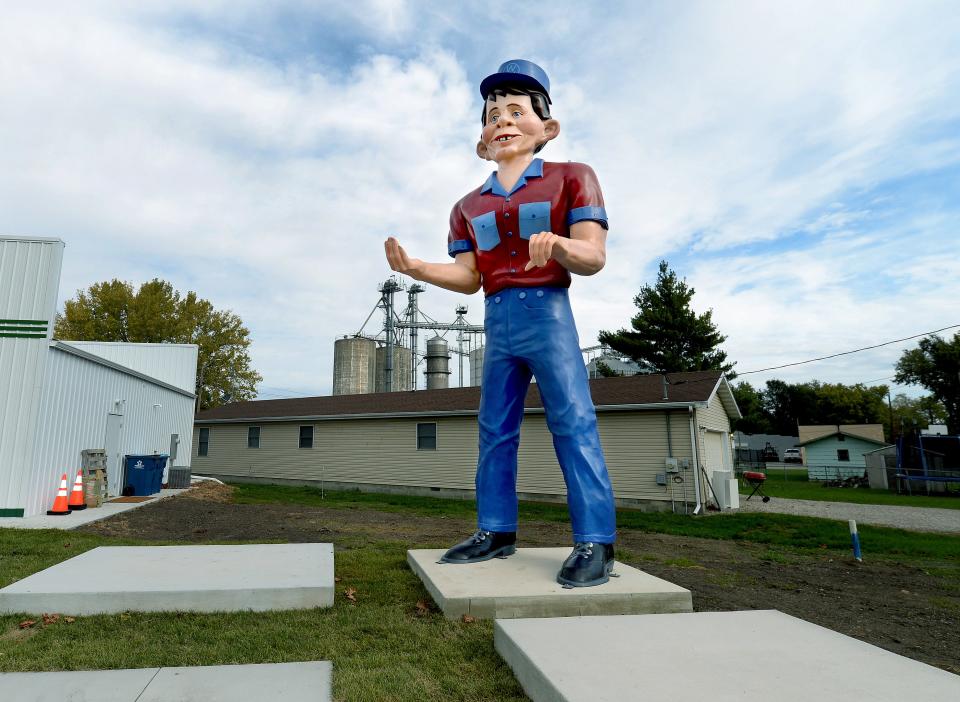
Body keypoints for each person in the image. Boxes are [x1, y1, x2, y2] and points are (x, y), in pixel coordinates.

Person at [384, 59, 616, 587]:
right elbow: (469, 277)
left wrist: (558, 244)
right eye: (493, 114)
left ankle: (596, 539)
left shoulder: (571, 178)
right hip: (498, 318)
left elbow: (594, 255)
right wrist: (417, 267)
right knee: (494, 428)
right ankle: (495, 530)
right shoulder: (467, 205)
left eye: (517, 110)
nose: (504, 120)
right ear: (481, 140)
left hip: (548, 314)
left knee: (573, 422)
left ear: (546, 128)